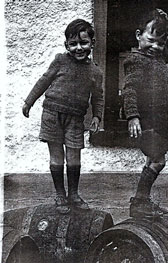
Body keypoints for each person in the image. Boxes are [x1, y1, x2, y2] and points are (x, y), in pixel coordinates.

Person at [22, 19, 104, 214]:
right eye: (73, 44)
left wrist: (97, 117)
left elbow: (98, 98)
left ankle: (73, 194)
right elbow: (44, 81)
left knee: (74, 158)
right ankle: (60, 194)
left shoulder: (95, 71)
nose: (78, 48)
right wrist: (28, 102)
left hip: (75, 119)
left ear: (92, 43)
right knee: (56, 157)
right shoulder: (59, 60)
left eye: (83, 43)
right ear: (66, 45)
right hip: (52, 114)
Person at [122, 9, 168, 217]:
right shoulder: (136, 60)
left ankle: (142, 202)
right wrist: (133, 116)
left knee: (150, 160)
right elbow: (129, 90)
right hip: (148, 119)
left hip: (161, 119)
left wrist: (167, 24)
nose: (156, 47)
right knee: (158, 161)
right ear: (138, 35)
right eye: (152, 40)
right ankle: (139, 201)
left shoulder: (157, 57)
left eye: (160, 43)